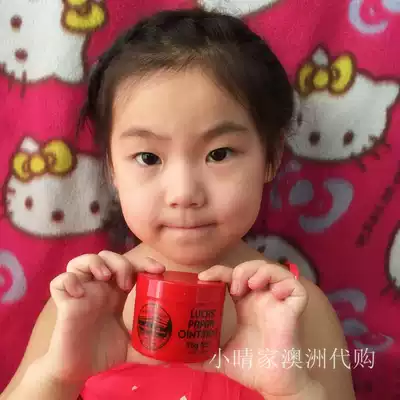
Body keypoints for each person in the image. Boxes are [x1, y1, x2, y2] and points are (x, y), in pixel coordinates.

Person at [0, 8, 355, 400]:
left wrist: (292, 391)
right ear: (112, 169)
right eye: (148, 157)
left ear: (271, 157)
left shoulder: (296, 310)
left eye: (219, 154)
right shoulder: (82, 302)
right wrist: (57, 378)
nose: (184, 193)